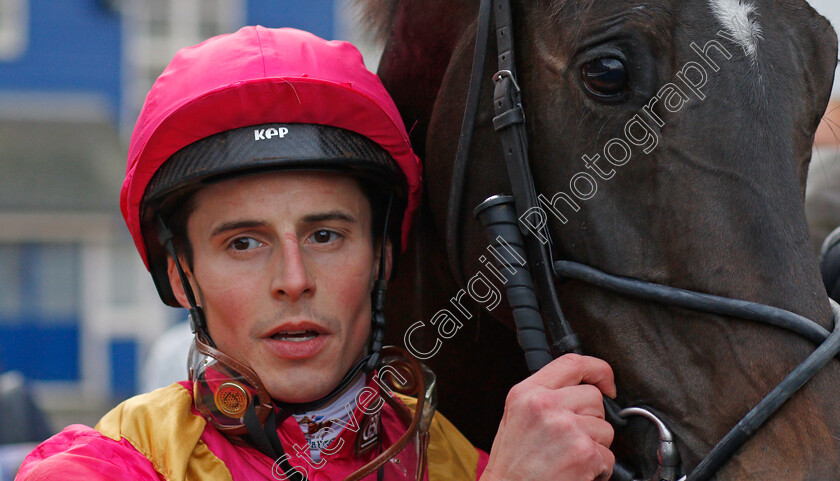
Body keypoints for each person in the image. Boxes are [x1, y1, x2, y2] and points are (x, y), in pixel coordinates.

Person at [15, 26, 616, 481]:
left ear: (382, 258)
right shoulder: (101, 466)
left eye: (325, 235)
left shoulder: (463, 461)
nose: (294, 280)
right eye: (243, 243)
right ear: (180, 275)